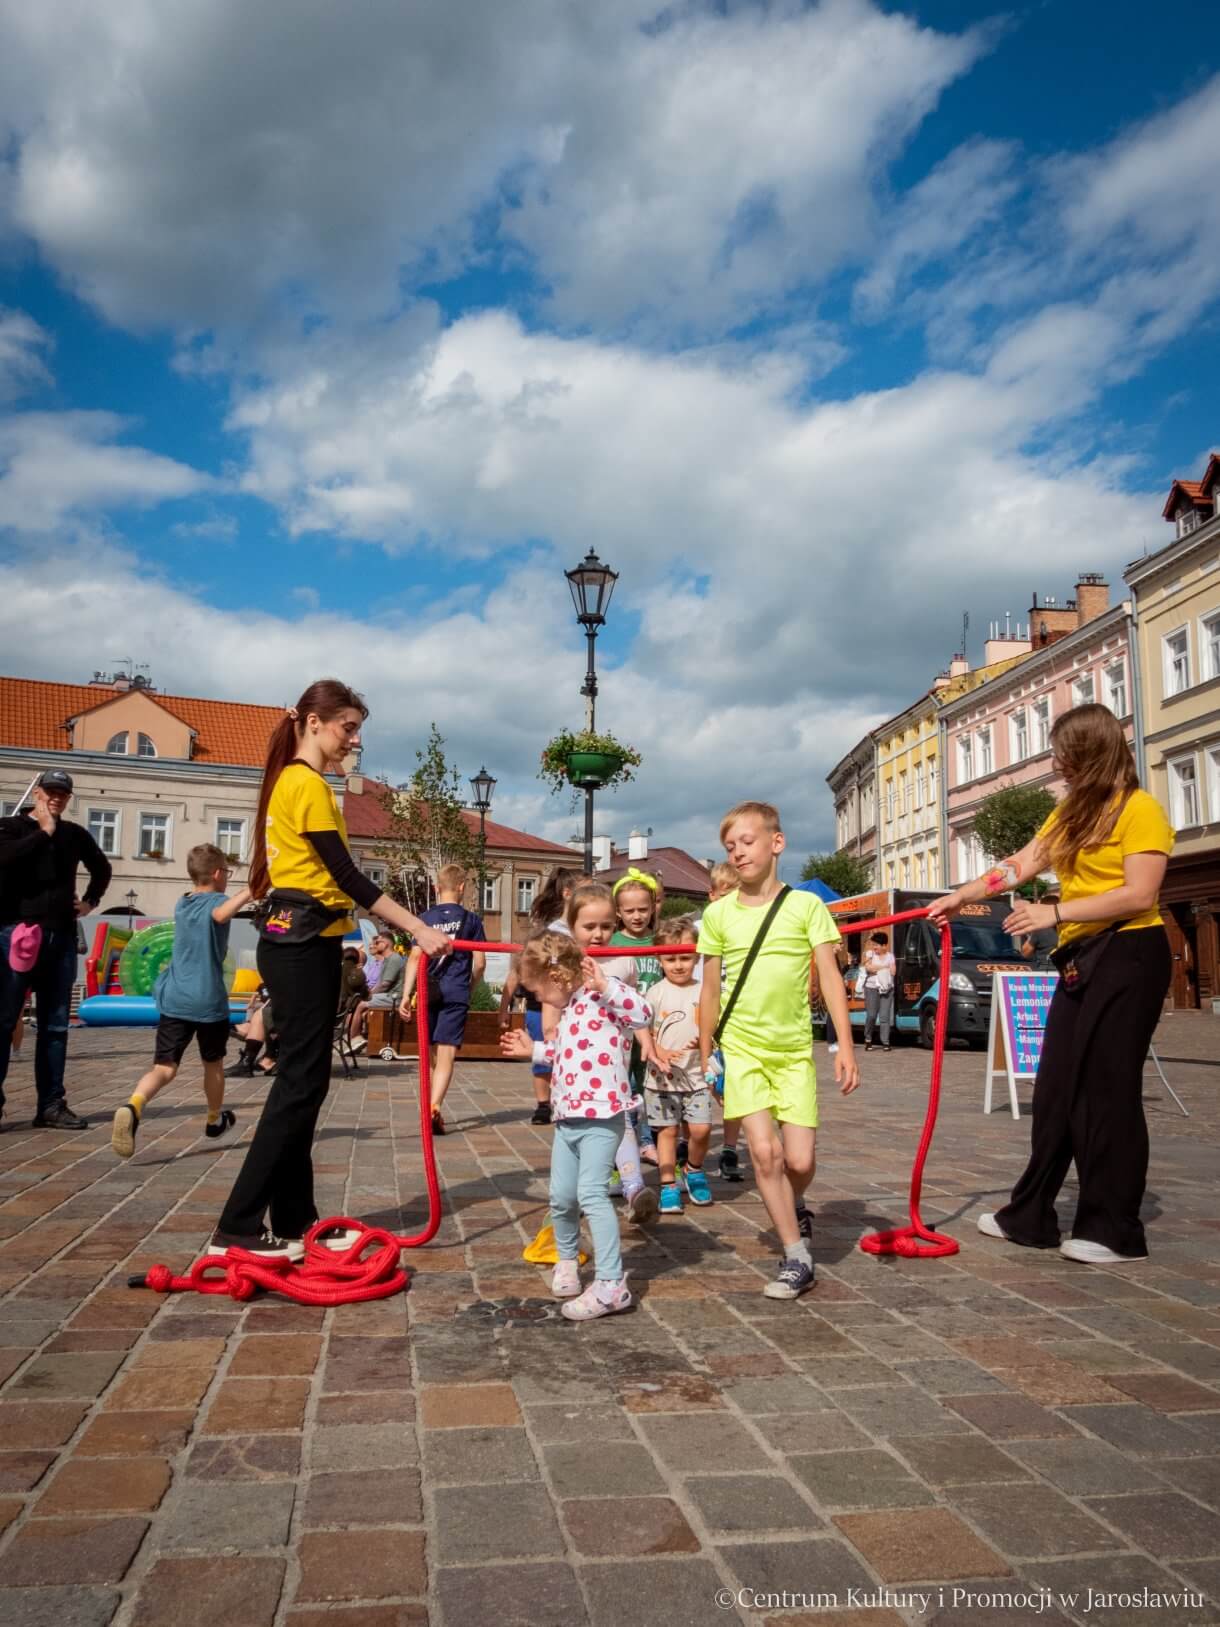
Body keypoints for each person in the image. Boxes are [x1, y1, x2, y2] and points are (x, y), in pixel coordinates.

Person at [208, 679, 451, 1260]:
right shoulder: (308, 784)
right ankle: (237, 1226)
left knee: (305, 1084)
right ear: (313, 723)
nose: (355, 738)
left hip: (302, 940)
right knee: (299, 1084)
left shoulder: (294, 783)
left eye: (357, 727)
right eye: (348, 726)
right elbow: (348, 876)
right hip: (302, 941)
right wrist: (416, 928)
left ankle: (295, 1220)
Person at [929, 703, 1174, 1266]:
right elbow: (1017, 865)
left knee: (1107, 1090)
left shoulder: (1140, 811)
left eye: (1063, 750)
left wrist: (1055, 913)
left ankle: (1113, 1229)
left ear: (1089, 752)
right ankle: (1030, 1215)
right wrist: (960, 898)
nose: (1056, 761)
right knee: (1056, 1088)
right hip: (1081, 954)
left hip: (1130, 953)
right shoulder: (1070, 814)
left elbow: (1140, 894)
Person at [698, 801, 859, 1299]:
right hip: (741, 1049)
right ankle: (796, 1257)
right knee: (764, 1155)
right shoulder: (717, 914)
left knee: (799, 1162)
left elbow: (830, 978)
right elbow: (709, 991)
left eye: (747, 842)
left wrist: (844, 1045)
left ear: (776, 842)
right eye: (730, 847)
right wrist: (708, 1054)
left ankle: (797, 1205)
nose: (738, 852)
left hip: (793, 1053)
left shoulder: (806, 907)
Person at [500, 929, 648, 1320]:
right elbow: (568, 1052)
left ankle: (612, 1284)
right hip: (568, 1118)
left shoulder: (602, 993)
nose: (536, 998)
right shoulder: (571, 1011)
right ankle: (567, 1259)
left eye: (537, 990)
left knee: (592, 1195)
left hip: (603, 1117)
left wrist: (609, 988)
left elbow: (642, 1013)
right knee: (561, 1196)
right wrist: (534, 1050)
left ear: (557, 978)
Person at [111, 845, 248, 1158]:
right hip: (208, 999)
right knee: (212, 1064)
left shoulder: (182, 903)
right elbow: (220, 913)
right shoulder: (218, 901)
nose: (227, 877)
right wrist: (252, 891)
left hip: (174, 996)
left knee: (164, 1067)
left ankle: (134, 1105)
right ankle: (214, 1120)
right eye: (226, 872)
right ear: (217, 874)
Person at [0, 769, 111, 1131]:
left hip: (60, 936)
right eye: (50, 792)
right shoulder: (11, 828)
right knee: (4, 1020)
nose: (56, 799)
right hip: (17, 931)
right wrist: (43, 832)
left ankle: (50, 1104)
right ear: (37, 792)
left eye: (62, 794)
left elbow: (102, 867)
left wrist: (90, 901)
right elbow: (5, 861)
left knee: (56, 1025)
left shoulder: (75, 834)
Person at [564, 880, 658, 1224]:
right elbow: (553, 1007)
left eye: (606, 927)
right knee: (578, 1132)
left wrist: (645, 1039)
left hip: (613, 1064)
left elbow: (635, 1011)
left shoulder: (624, 963)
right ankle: (581, 1192)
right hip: (576, 1069)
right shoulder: (565, 964)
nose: (598, 934)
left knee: (621, 1123)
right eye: (589, 927)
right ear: (572, 926)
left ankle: (635, 1189)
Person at [399, 863, 486, 1136]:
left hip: (428, 990)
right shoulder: (471, 920)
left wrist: (406, 994)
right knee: (446, 1054)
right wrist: (469, 989)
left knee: (429, 1053)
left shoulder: (424, 917)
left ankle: (430, 1104)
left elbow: (414, 957)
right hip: (455, 990)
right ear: (462, 887)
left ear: (437, 888)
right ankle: (434, 1105)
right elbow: (480, 964)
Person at [647, 916, 714, 1211]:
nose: (678, 964)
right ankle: (667, 1185)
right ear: (659, 958)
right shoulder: (655, 993)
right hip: (661, 1078)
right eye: (670, 958)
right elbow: (643, 1031)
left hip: (696, 1076)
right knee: (667, 1132)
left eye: (685, 957)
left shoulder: (705, 991)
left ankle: (694, 1169)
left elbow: (715, 1026)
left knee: (700, 1130)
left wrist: (706, 1042)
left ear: (697, 955)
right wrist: (657, 1049)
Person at [348, 931, 405, 1052]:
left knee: (360, 1004)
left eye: (377, 942)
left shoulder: (394, 958)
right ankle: (355, 1040)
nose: (374, 944)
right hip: (387, 996)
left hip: (394, 998)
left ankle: (353, 1040)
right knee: (357, 1003)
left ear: (385, 944)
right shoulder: (387, 959)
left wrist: (369, 995)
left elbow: (385, 985)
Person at [862, 931, 896, 1052]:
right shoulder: (870, 954)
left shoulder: (890, 956)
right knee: (871, 1015)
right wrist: (884, 968)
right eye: (873, 944)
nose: (874, 947)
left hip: (887, 988)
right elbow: (868, 968)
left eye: (877, 945)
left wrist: (877, 969)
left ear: (884, 945)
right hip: (871, 988)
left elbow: (893, 972)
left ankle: (885, 1042)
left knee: (884, 1016)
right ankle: (868, 1038)